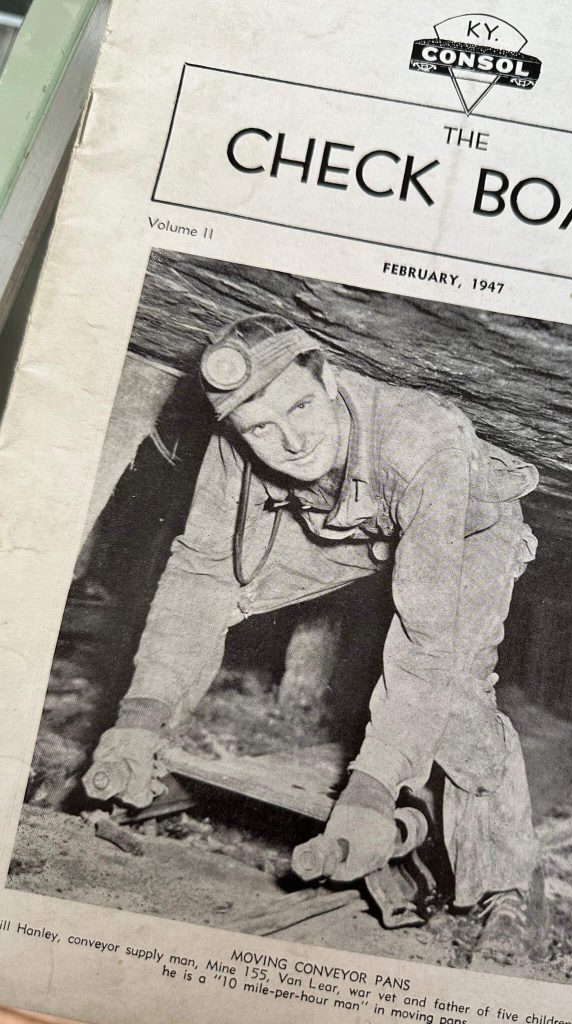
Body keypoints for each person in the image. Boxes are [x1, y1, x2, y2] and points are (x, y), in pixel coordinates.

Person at [83, 313, 543, 958]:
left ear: (328, 379)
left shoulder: (425, 437)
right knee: (221, 585)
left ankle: (507, 892)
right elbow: (200, 575)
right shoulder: (238, 447)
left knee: (457, 690)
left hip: (461, 523)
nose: (290, 441)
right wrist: (140, 717)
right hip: (338, 518)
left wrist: (374, 787)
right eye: (261, 428)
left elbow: (423, 641)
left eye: (298, 407)